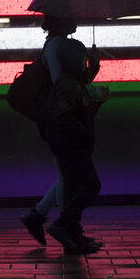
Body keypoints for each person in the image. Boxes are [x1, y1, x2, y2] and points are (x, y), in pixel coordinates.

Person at [20, 16, 102, 254]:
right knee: (69, 178)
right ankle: (68, 229)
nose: (76, 20)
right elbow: (62, 85)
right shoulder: (58, 46)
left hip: (58, 119)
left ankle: (43, 217)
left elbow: (68, 83)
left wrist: (89, 73)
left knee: (68, 175)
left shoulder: (57, 44)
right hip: (60, 121)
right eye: (70, 15)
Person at [42, 37, 106, 255]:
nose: (85, 61)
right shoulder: (69, 86)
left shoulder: (71, 82)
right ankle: (63, 226)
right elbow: (67, 118)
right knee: (90, 185)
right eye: (83, 58)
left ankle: (73, 234)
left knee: (76, 188)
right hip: (72, 146)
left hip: (70, 145)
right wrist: (84, 131)